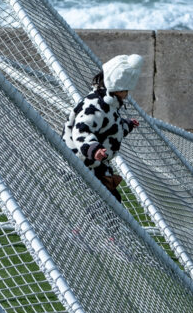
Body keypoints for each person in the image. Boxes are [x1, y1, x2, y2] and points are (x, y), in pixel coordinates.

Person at [61, 54, 142, 202]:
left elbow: (111, 130)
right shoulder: (95, 106)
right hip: (80, 163)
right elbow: (82, 129)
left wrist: (128, 125)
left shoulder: (109, 105)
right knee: (104, 203)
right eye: (125, 91)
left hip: (98, 165)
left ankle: (100, 225)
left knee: (112, 203)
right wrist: (93, 148)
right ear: (116, 88)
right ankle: (89, 225)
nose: (126, 95)